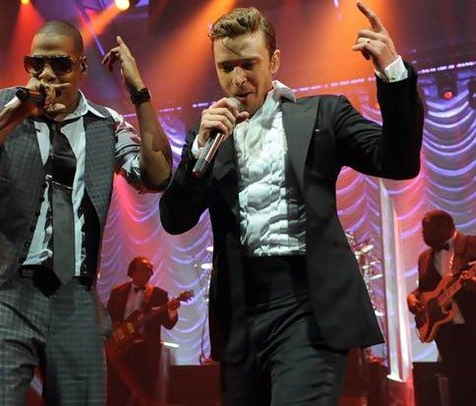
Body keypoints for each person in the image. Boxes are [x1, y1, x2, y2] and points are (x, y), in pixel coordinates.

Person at [159, 3, 423, 405]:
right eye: (226, 67)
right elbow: (175, 219)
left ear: (274, 61)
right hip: (240, 313)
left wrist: (393, 73)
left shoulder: (321, 115)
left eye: (249, 64)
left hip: (308, 304)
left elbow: (399, 161)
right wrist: (197, 153)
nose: (238, 79)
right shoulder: (211, 136)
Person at [0, 20, 172, 404]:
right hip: (3, 294)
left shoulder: (106, 124)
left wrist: (139, 93)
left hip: (75, 299)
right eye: (36, 64)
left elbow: (157, 176)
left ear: (81, 67)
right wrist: (13, 115)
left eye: (60, 65)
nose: (46, 75)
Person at [407, 210, 476, 406]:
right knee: (458, 388)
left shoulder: (472, 244)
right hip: (446, 333)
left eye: (427, 227)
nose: (422, 233)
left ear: (446, 225)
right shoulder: (424, 258)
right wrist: (411, 297)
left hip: (472, 326)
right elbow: (425, 289)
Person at [106, 257, 180, 406]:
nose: (147, 273)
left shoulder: (159, 294)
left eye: (149, 270)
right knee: (117, 394)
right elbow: (108, 318)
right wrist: (115, 329)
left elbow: (168, 324)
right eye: (143, 269)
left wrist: (172, 311)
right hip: (121, 349)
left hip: (146, 351)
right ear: (132, 272)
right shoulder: (117, 292)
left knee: (144, 394)